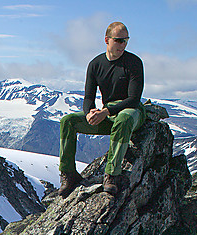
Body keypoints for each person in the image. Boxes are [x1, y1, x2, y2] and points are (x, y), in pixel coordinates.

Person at [58, 22, 145, 197]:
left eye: (126, 41)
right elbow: (89, 97)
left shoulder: (133, 62)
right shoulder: (95, 64)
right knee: (68, 121)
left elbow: (133, 99)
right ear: (107, 40)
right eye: (119, 40)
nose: (123, 45)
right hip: (109, 115)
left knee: (124, 119)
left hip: (132, 112)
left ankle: (111, 174)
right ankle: (68, 174)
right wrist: (89, 112)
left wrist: (105, 112)